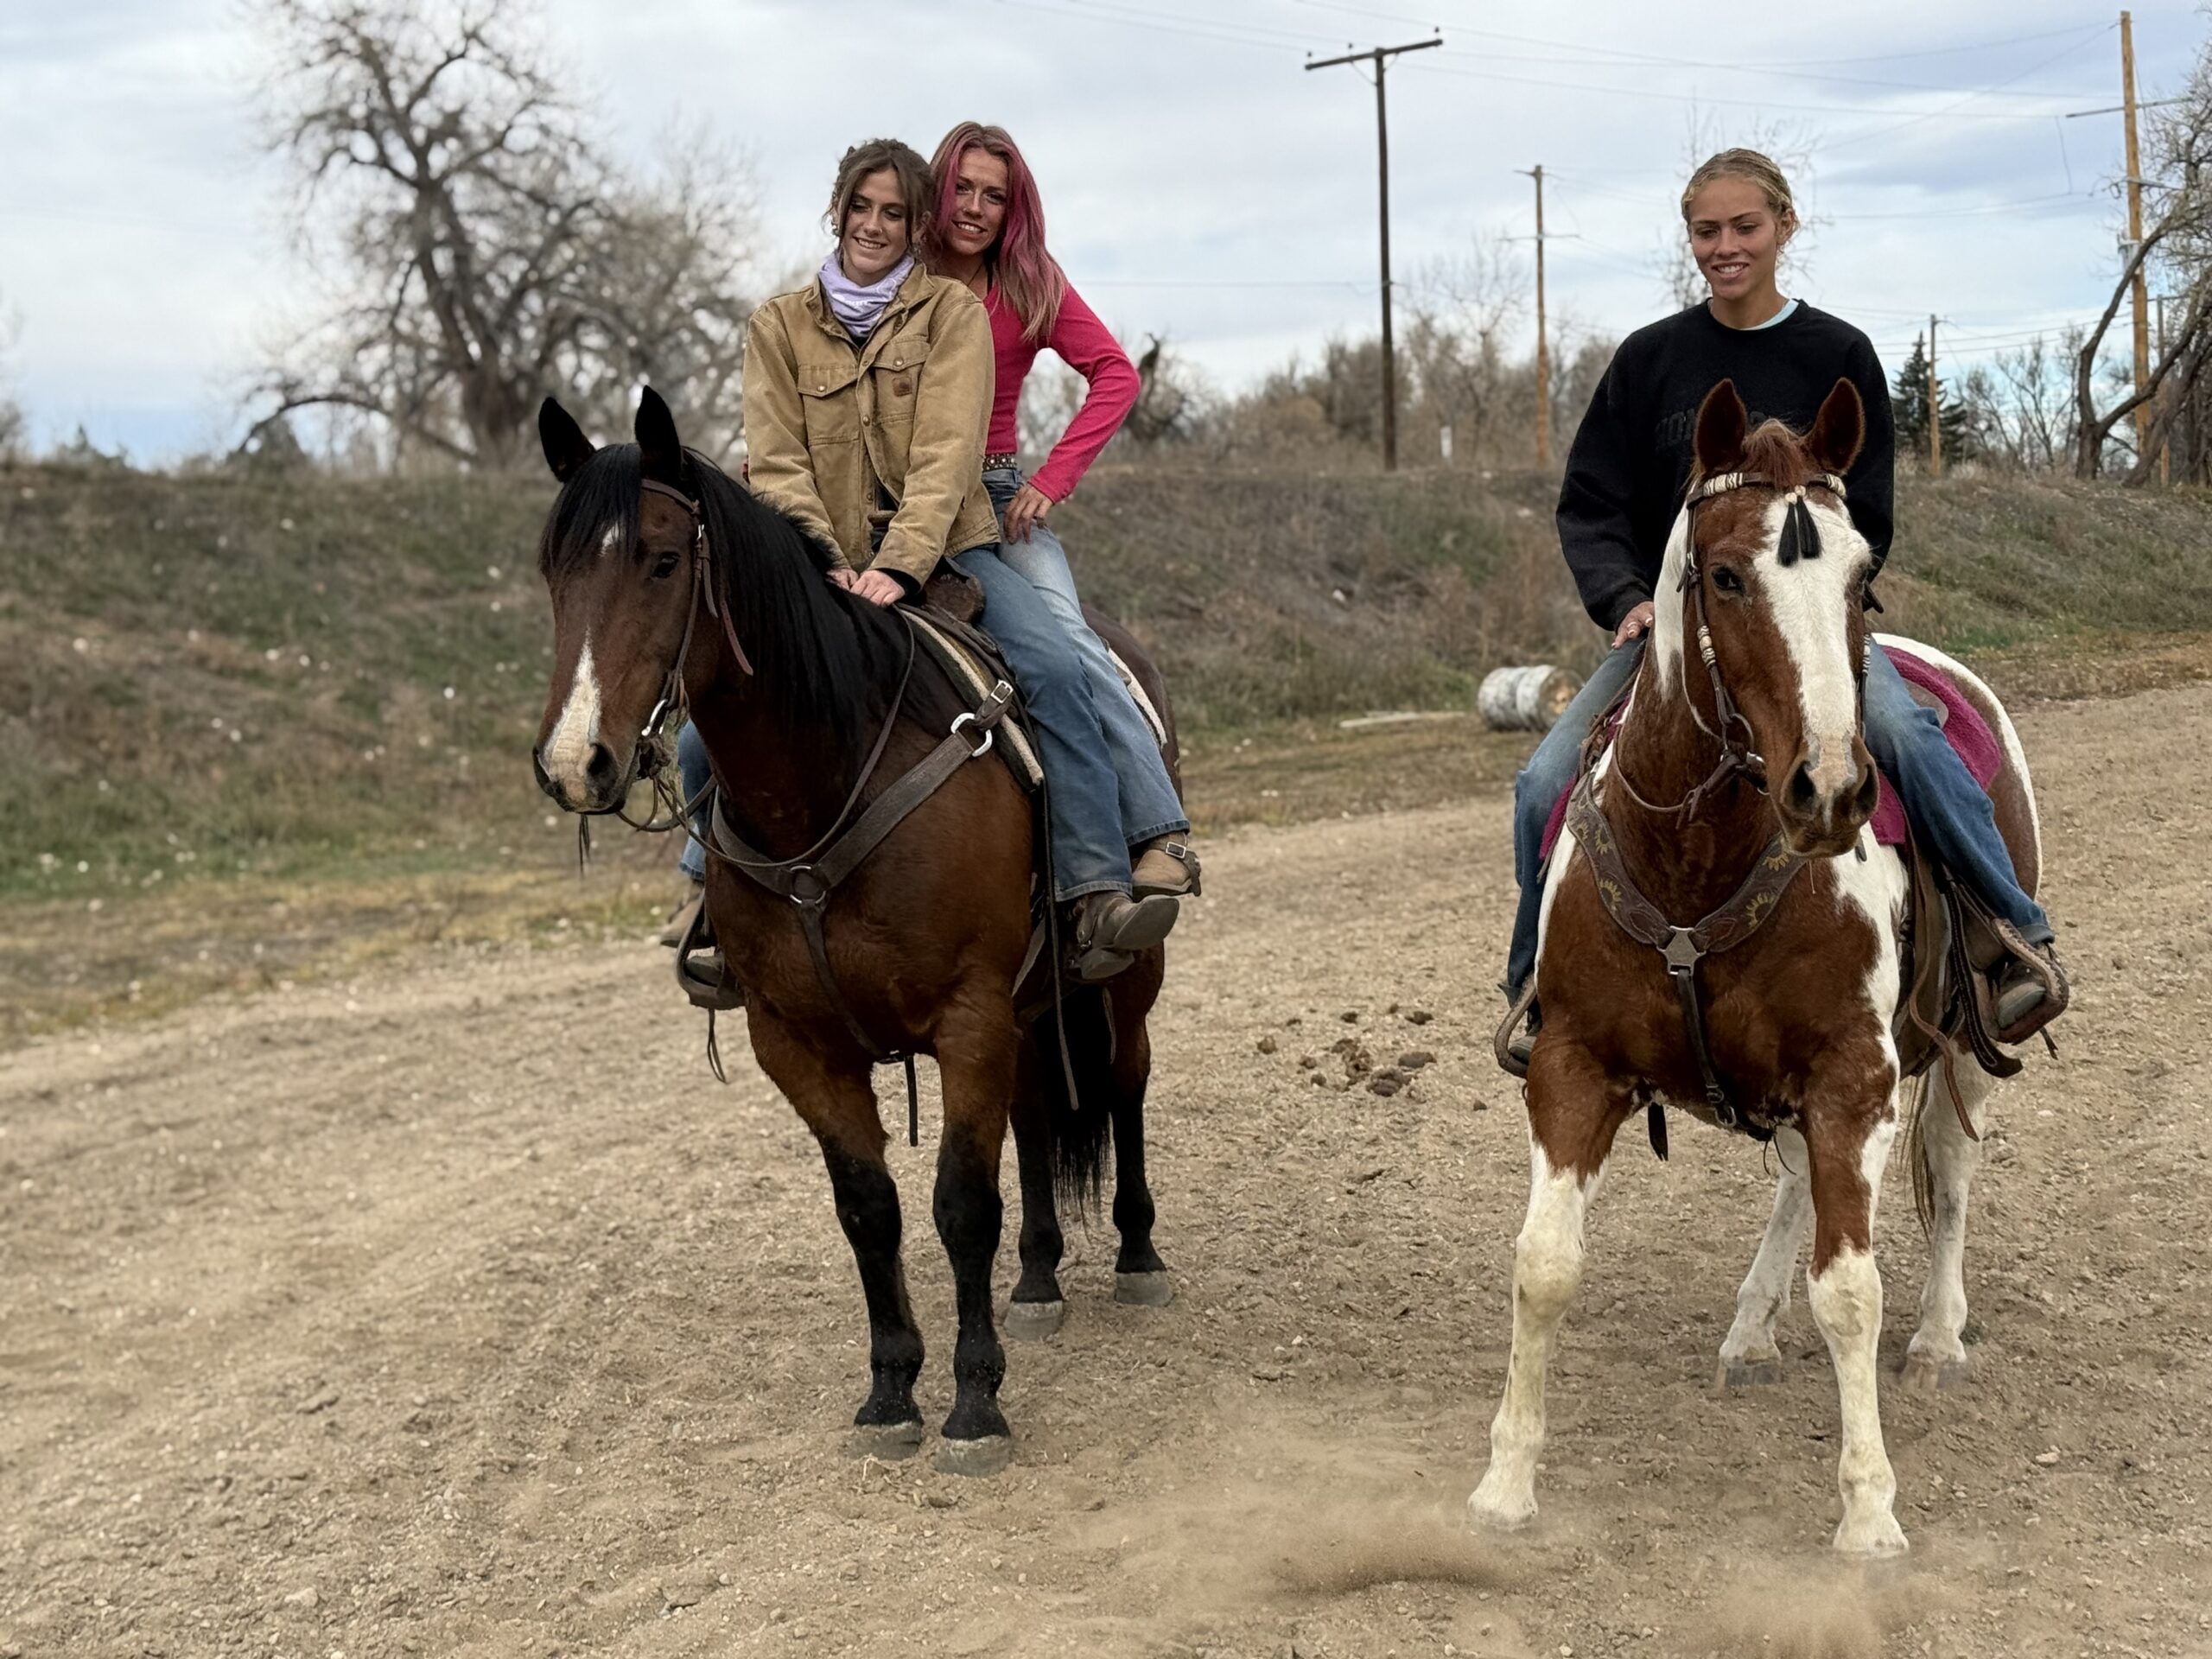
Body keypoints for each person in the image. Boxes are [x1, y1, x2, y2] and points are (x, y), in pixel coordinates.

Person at [1501, 147, 2066, 1071]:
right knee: (1538, 784)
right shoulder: (1649, 361)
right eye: (1705, 231)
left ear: (1784, 228)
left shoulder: (1836, 353)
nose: (1724, 247)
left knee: (1913, 743)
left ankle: (2009, 937)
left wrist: (1804, 593)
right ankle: (1535, 987)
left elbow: (1868, 512)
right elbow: (1590, 505)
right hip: (1679, 639)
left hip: (1807, 628)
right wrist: (1627, 599)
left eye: (1743, 227)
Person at [728, 137, 1175, 979]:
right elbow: (781, 461)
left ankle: (1104, 873)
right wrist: (820, 558)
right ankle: (711, 902)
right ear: (836, 209)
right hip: (831, 544)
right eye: (861, 207)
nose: (875, 224)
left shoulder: (964, 309)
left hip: (966, 523)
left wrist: (904, 564)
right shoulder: (778, 325)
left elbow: (946, 457)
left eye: (893, 212)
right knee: (720, 693)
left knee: (1058, 658)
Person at [919, 121, 1196, 900]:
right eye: (963, 188)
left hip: (997, 497)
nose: (974, 207)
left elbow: (1114, 372)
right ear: (939, 188)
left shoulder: (1028, 282)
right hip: (894, 492)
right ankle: (709, 885)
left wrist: (1053, 478)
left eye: (993, 196)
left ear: (1014, 209)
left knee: (1069, 644)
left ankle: (1158, 832)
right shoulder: (898, 271)